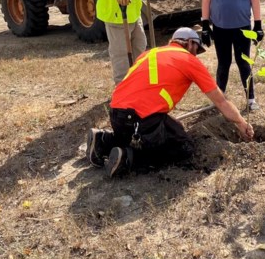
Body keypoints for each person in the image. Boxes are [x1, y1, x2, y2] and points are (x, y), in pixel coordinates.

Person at [86, 27, 255, 176]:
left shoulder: (149, 53)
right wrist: (241, 123)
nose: (196, 54)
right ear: (189, 43)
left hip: (117, 114)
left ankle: (103, 140)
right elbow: (222, 101)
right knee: (183, 148)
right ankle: (128, 159)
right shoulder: (189, 60)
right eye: (196, 48)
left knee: (137, 134)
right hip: (143, 118)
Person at [200, 0, 263, 112]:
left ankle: (251, 99)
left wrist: (258, 25)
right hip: (220, 27)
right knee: (223, 63)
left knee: (244, 63)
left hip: (243, 26)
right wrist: (205, 25)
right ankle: (220, 99)